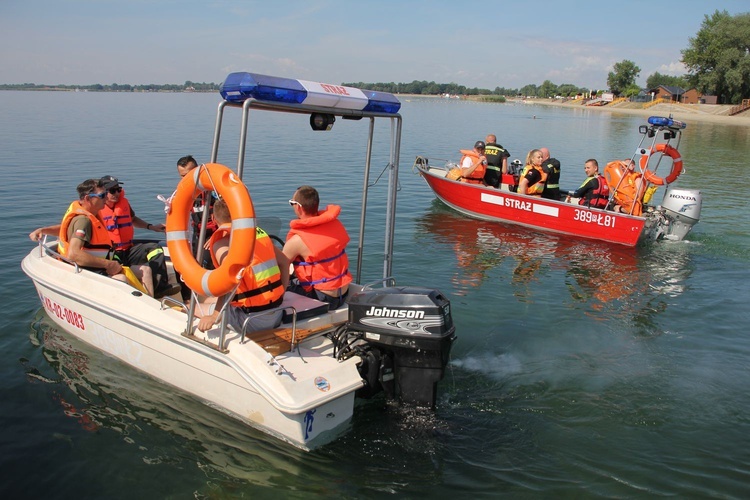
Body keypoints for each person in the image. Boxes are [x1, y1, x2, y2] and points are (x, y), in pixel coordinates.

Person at [29, 179, 154, 295]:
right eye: (102, 196)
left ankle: (151, 308)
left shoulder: (92, 215)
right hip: (88, 270)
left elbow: (66, 229)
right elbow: (74, 254)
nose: (106, 199)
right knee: (121, 279)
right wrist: (108, 264)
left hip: (102, 265)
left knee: (145, 271)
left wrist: (44, 230)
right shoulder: (84, 220)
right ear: (88, 199)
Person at [196, 199, 289, 333]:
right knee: (210, 299)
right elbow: (284, 262)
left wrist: (214, 316)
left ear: (213, 218)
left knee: (192, 307)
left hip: (249, 319)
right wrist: (281, 294)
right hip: (276, 312)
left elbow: (228, 280)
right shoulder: (259, 234)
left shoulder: (220, 244)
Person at [99, 175, 178, 298]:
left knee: (155, 249)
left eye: (118, 190)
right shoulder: (97, 209)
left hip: (128, 250)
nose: (116, 194)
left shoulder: (123, 204)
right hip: (112, 253)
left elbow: (132, 219)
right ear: (102, 192)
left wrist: (151, 227)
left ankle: (160, 287)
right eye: (112, 191)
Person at [283, 186, 352, 310]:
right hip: (343, 293)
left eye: (292, 203)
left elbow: (281, 266)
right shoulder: (335, 225)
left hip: (322, 298)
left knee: (281, 289)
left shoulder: (297, 240)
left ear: (298, 207)